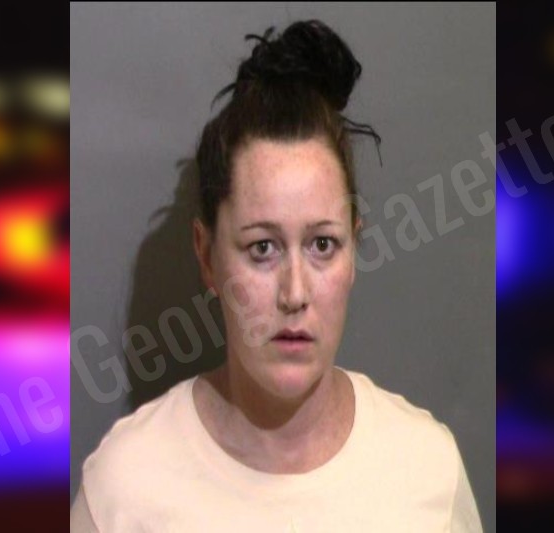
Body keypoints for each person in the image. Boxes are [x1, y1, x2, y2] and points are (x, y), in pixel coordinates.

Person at [71, 19, 482, 532]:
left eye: (322, 245)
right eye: (262, 248)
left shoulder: (427, 473)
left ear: (354, 250)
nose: (295, 293)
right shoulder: (124, 487)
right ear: (207, 256)